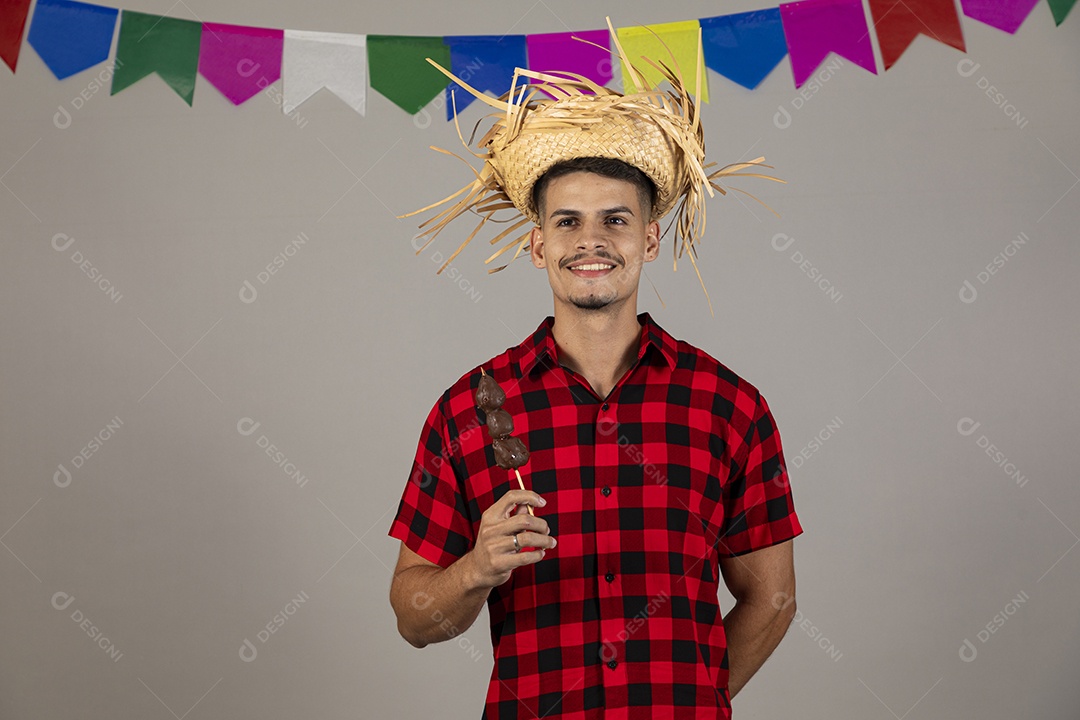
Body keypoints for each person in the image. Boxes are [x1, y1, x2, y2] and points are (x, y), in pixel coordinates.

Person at [388, 22, 802, 719]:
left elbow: (774, 598)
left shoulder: (728, 406)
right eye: (568, 222)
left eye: (614, 221)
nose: (591, 241)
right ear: (537, 243)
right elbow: (414, 616)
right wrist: (478, 568)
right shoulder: (470, 408)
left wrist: (695, 701)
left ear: (649, 237)